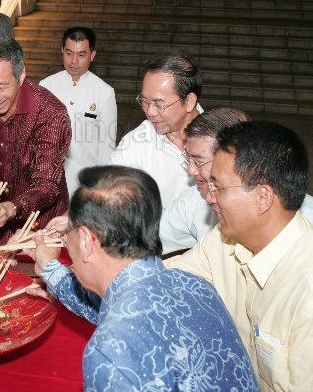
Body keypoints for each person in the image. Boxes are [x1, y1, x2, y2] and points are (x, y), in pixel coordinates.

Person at [31, 166, 258, 390]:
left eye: (68, 232)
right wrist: (52, 270)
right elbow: (116, 307)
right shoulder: (196, 286)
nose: (65, 242)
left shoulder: (109, 351)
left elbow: (126, 322)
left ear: (85, 241)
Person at [166, 121, 313, 390]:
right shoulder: (225, 241)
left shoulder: (306, 293)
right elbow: (161, 282)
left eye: (218, 187)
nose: (209, 198)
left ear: (263, 198)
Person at [0, 36, 70, 244]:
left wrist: (10, 208)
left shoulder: (51, 113)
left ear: (21, 76)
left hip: (40, 223)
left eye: (2, 87)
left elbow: (47, 184)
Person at [110, 51, 202, 210]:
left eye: (160, 104)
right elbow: (107, 188)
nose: (150, 112)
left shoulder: (222, 138)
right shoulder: (137, 142)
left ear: (189, 101)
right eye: (145, 101)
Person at [39, 26, 117, 197]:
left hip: (85, 178)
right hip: (49, 175)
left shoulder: (104, 92)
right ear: (62, 51)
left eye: (81, 55)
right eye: (69, 53)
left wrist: (102, 185)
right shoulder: (46, 86)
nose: (74, 61)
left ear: (92, 55)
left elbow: (107, 144)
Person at [160, 107, 249, 254]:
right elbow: (153, 244)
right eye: (188, 159)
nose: (191, 170)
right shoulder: (193, 200)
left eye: (198, 161)